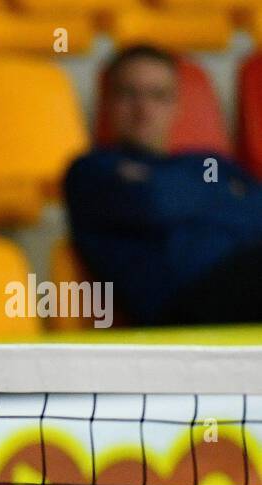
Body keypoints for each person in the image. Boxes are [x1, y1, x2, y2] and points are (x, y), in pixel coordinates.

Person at [65, 45, 262, 327]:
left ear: (176, 105)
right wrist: (225, 197)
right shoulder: (91, 171)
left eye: (158, 96)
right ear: (106, 102)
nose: (144, 110)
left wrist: (180, 195)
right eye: (129, 94)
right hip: (180, 311)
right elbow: (155, 201)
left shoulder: (207, 162)